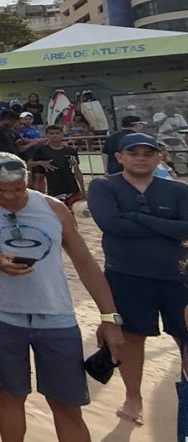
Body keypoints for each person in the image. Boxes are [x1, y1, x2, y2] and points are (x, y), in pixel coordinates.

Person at [0, 153, 124, 442]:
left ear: (27, 180)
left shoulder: (53, 208)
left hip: (56, 316)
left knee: (67, 404)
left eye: (17, 189)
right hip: (0, 315)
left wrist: (109, 317)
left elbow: (85, 262)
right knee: (11, 394)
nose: (9, 197)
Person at [87, 132, 188, 427]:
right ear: (120, 157)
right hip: (126, 276)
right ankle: (133, 397)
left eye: (148, 152)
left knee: (185, 337)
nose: (141, 157)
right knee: (132, 339)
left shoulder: (177, 190)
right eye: (134, 153)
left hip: (178, 276)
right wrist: (166, 226)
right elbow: (111, 224)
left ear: (159, 157)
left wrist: (138, 218)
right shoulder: (104, 186)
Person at [27, 125, 86, 207]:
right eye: (51, 133)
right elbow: (29, 163)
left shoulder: (70, 151)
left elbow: (77, 171)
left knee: (73, 212)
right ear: (47, 135)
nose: (54, 135)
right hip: (54, 188)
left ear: (62, 135)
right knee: (57, 213)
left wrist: (83, 189)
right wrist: (41, 162)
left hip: (72, 187)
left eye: (57, 133)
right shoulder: (42, 150)